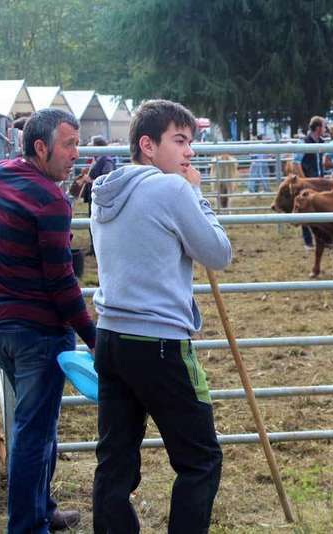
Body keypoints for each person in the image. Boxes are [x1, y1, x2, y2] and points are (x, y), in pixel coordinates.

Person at [90, 99, 232, 534]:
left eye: (191, 142)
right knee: (200, 459)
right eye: (180, 140)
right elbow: (217, 252)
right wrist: (196, 193)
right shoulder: (171, 190)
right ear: (147, 145)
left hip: (111, 337)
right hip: (159, 343)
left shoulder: (103, 192)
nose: (190, 152)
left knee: (115, 460)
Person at [0, 108, 96, 533]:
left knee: (39, 422)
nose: (76, 154)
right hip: (38, 332)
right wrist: (92, 335)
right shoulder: (50, 199)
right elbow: (61, 282)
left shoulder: (0, 175)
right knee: (33, 432)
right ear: (41, 147)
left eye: (78, 144)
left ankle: (42, 509)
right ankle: (27, 526)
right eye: (69, 145)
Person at [296, 116, 326, 249]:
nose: (325, 129)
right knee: (305, 210)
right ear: (318, 128)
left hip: (319, 181)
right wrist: (304, 180)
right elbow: (296, 164)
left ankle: (323, 239)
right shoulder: (304, 143)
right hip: (308, 180)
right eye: (324, 126)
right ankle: (308, 242)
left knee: (321, 209)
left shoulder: (321, 142)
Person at [83, 135, 115, 255]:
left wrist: (90, 181)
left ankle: (99, 249)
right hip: (95, 196)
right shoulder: (97, 159)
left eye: (92, 144)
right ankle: (94, 248)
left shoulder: (106, 160)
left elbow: (107, 181)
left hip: (102, 198)